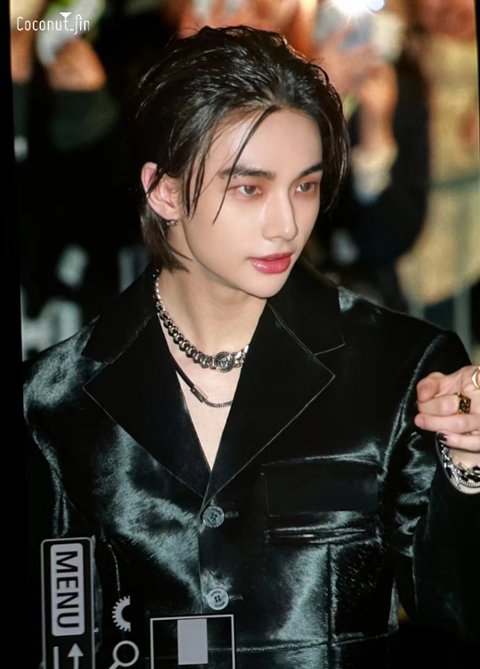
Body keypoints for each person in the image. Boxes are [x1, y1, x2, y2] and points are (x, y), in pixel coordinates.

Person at [25, 26, 479, 669]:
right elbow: (58, 635)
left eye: (305, 186)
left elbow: (458, 612)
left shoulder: (404, 370)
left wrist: (468, 470)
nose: (287, 224)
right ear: (165, 190)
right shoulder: (54, 402)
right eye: (250, 188)